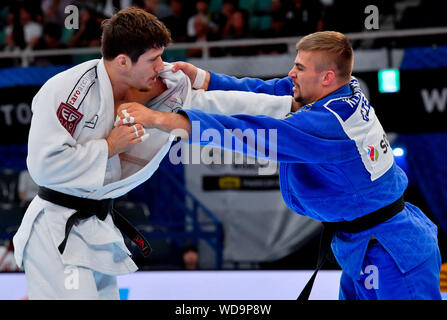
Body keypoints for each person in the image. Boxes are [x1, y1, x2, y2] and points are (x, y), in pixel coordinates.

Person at [116, 31, 442, 300]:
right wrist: (205, 78)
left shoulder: (329, 124)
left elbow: (250, 134)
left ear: (327, 76)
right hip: (364, 245)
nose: (291, 74)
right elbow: (269, 92)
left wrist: (165, 119)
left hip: (392, 252)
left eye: (299, 68)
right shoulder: (342, 89)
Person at [13, 7, 297, 300]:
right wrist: (110, 146)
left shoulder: (164, 87)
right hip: (56, 230)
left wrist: (287, 107)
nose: (162, 65)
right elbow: (44, 167)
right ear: (123, 61)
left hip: (97, 228)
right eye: (153, 59)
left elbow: (219, 104)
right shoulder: (66, 91)